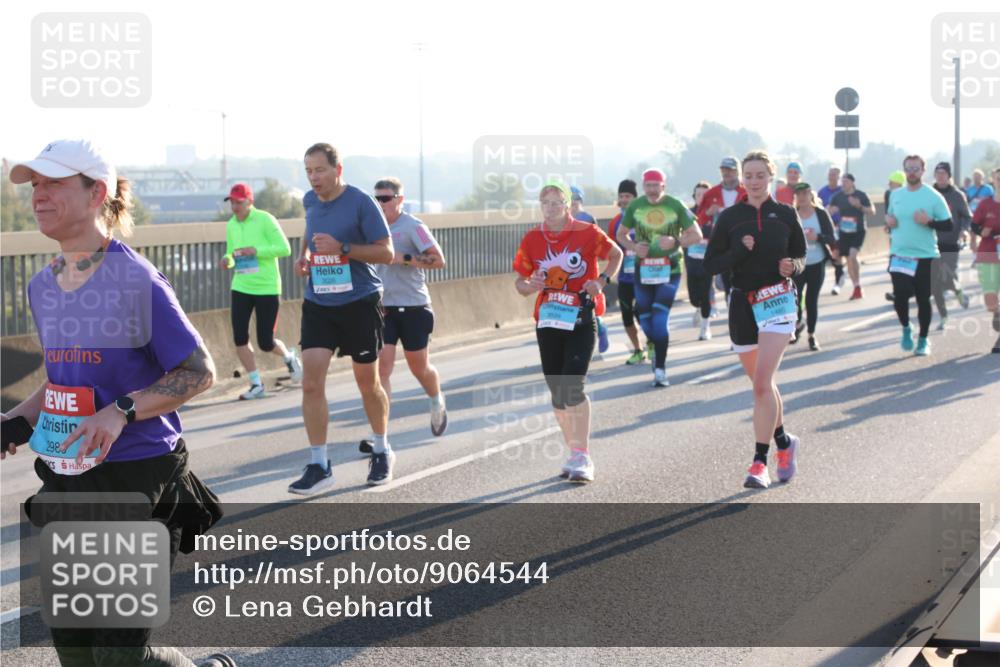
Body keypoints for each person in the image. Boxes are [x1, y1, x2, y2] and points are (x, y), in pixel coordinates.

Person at [2, 140, 230, 667]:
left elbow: (200, 372)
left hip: (139, 474)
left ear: (96, 192)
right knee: (76, 652)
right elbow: (65, 380)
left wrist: (121, 410)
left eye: (54, 183)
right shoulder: (44, 285)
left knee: (118, 658)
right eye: (34, 184)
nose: (38, 195)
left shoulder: (136, 280)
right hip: (70, 474)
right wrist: (16, 421)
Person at [289, 143, 395, 493]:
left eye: (319, 170)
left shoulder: (361, 202)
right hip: (319, 302)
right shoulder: (309, 201)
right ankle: (320, 463)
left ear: (338, 169)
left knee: (368, 382)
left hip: (359, 302)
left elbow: (387, 252)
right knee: (310, 382)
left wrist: (344, 249)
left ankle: (381, 449)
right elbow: (310, 237)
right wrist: (304, 259)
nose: (313, 178)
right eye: (308, 171)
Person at [703, 150, 806, 489]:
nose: (754, 181)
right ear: (742, 179)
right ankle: (783, 442)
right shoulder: (731, 217)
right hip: (742, 304)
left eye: (760, 175)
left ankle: (759, 462)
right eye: (749, 175)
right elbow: (711, 264)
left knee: (762, 383)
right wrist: (738, 251)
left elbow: (801, 255)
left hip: (777, 301)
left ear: (771, 177)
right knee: (763, 387)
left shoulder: (785, 213)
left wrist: (793, 265)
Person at [513, 179, 622, 482]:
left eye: (556, 202)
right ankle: (573, 450)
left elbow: (616, 255)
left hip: (581, 317)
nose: (550, 208)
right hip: (548, 320)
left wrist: (601, 282)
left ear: (568, 204)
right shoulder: (533, 238)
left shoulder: (587, 233)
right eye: (545, 202)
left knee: (573, 384)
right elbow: (520, 283)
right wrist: (529, 285)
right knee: (557, 391)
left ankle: (583, 454)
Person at [363, 177, 448, 450]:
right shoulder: (369, 228)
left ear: (399, 200)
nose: (380, 203)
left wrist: (404, 258)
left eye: (385, 198)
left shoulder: (413, 227)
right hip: (383, 308)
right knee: (382, 370)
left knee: (418, 367)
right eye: (376, 198)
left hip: (413, 306)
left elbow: (438, 260)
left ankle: (436, 401)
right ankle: (380, 435)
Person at [616, 169, 702, 387]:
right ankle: (654, 346)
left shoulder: (675, 205)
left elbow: (697, 235)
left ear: (664, 186)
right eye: (648, 186)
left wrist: (675, 242)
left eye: (656, 185)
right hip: (642, 269)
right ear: (643, 187)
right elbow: (620, 234)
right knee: (644, 317)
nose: (652, 190)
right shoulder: (635, 206)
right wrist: (634, 246)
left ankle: (661, 369)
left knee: (659, 316)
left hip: (670, 269)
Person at [218, 183, 302, 400]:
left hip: (267, 287)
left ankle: (289, 356)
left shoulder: (265, 219)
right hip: (241, 286)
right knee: (239, 338)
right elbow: (230, 253)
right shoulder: (231, 225)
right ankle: (256, 384)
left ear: (249, 201)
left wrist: (257, 251)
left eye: (239, 202)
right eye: (232, 202)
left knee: (266, 342)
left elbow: (285, 248)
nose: (235, 206)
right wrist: (227, 261)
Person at [884, 155, 954, 357]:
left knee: (924, 299)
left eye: (916, 168)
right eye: (908, 168)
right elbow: (890, 218)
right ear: (904, 170)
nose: (912, 172)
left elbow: (948, 225)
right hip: (899, 254)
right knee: (900, 296)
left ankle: (923, 340)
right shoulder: (896, 195)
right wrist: (889, 222)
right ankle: (906, 327)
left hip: (926, 256)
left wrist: (929, 221)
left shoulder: (933, 196)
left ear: (923, 171)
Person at [696, 156, 747, 311]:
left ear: (737, 171)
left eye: (730, 170)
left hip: (745, 243)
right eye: (724, 170)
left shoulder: (747, 191)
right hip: (722, 245)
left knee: (744, 280)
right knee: (728, 282)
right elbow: (698, 220)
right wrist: (709, 212)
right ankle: (732, 310)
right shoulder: (712, 193)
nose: (727, 173)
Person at [792, 183, 838, 350]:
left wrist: (817, 237)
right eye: (799, 193)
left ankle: (811, 335)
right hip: (798, 265)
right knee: (795, 299)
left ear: (811, 195)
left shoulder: (820, 213)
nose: (802, 197)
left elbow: (832, 237)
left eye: (805, 193)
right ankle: (797, 324)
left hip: (816, 262)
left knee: (812, 300)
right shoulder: (793, 214)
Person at [607, 179, 648, 364]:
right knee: (626, 314)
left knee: (642, 312)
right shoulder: (615, 222)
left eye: (628, 196)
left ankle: (653, 342)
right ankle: (638, 349)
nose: (624, 199)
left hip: (644, 274)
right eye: (621, 196)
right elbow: (610, 247)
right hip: (624, 276)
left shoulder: (644, 217)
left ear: (635, 198)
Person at [930, 162, 973, 329]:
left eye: (943, 173)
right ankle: (944, 317)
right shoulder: (929, 194)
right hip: (931, 243)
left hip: (950, 241)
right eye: (937, 173)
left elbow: (966, 216)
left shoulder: (957, 195)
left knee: (947, 278)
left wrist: (963, 230)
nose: (940, 176)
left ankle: (958, 291)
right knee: (934, 283)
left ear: (949, 176)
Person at [570, 186, 609, 353]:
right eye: (570, 199)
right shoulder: (558, 220)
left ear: (580, 200)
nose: (573, 202)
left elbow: (598, 242)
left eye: (576, 199)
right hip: (567, 271)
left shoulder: (588, 218)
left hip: (587, 268)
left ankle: (600, 328)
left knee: (589, 305)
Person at [829, 173, 875, 300]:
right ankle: (856, 286)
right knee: (848, 259)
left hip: (858, 230)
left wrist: (859, 206)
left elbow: (872, 211)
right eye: (842, 181)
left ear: (852, 183)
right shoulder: (838, 196)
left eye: (846, 181)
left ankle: (857, 285)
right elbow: (829, 209)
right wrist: (831, 210)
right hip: (844, 232)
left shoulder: (861, 195)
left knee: (852, 254)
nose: (843, 184)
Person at [971, 167, 1000, 353]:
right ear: (993, 181)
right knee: (991, 301)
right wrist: (981, 232)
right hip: (988, 253)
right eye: (999, 178)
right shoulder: (985, 204)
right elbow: (974, 224)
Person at [686, 181, 714, 340]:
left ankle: (705, 327)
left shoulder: (714, 215)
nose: (701, 197)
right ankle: (697, 308)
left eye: (705, 195)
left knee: (705, 293)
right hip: (691, 259)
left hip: (708, 260)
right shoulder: (688, 214)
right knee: (693, 297)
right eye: (698, 195)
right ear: (694, 196)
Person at [884, 170, 906, 302]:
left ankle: (912, 289)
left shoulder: (909, 195)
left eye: (891, 183)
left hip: (909, 237)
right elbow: (888, 211)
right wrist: (887, 222)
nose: (889, 185)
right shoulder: (889, 194)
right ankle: (896, 292)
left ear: (898, 184)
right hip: (895, 236)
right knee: (893, 266)